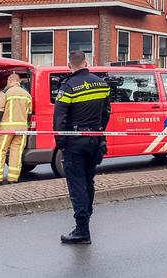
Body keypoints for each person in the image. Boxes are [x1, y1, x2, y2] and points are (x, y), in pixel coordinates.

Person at [54, 50, 111, 244]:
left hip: (75, 141)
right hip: (95, 139)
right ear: (86, 62)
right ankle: (86, 219)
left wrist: (61, 143)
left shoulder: (68, 87)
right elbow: (106, 113)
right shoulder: (101, 83)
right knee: (88, 181)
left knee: (77, 184)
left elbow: (60, 118)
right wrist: (100, 133)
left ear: (69, 64)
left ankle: (82, 230)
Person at [0, 73, 32, 186]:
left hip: (6, 128)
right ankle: (13, 178)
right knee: (16, 152)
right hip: (22, 129)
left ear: (10, 80)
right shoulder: (27, 95)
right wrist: (26, 126)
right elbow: (29, 114)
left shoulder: (6, 93)